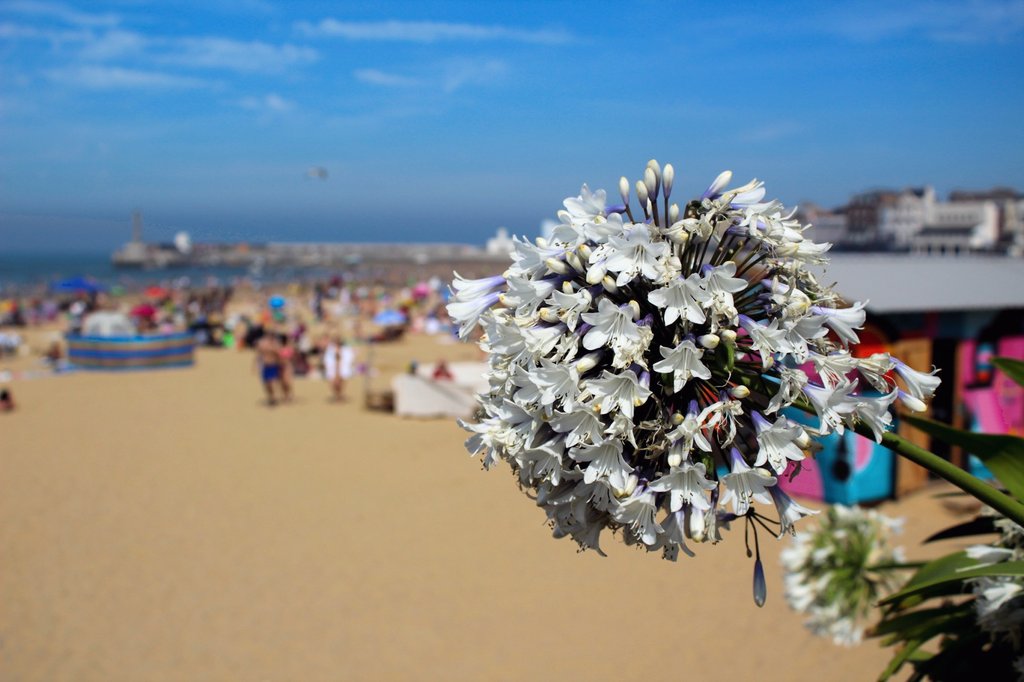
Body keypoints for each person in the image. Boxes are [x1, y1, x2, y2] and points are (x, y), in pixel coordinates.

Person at [255, 333, 288, 406]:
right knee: (266, 384)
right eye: (268, 336)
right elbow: (258, 355)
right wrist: (256, 366)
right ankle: (271, 397)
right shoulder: (262, 344)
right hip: (265, 366)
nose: (270, 338)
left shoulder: (276, 344)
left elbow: (281, 355)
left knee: (273, 382)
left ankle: (276, 398)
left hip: (274, 365)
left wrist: (274, 351)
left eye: (271, 336)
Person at [323, 335, 355, 402]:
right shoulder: (330, 350)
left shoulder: (345, 350)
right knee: (333, 382)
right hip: (333, 369)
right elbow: (327, 360)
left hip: (342, 368)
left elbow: (348, 360)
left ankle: (339, 395)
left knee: (341, 381)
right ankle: (336, 395)